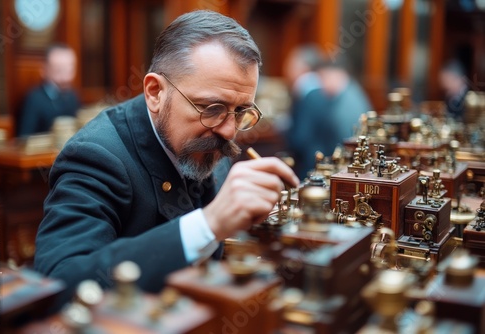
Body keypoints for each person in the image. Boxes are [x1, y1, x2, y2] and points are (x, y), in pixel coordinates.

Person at [34, 10, 299, 304]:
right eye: (211, 108)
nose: (229, 130)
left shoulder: (210, 134)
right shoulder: (95, 157)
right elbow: (59, 284)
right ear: (155, 92)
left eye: (240, 111)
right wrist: (208, 223)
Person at [16, 43, 81, 137]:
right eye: (59, 70)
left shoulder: (72, 95)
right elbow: (24, 138)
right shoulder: (34, 99)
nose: (66, 77)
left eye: (69, 70)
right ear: (44, 70)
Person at [283, 44, 326, 180]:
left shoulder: (305, 87)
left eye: (291, 64)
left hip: (309, 164)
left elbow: (300, 138)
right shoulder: (319, 86)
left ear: (304, 68)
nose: (286, 69)